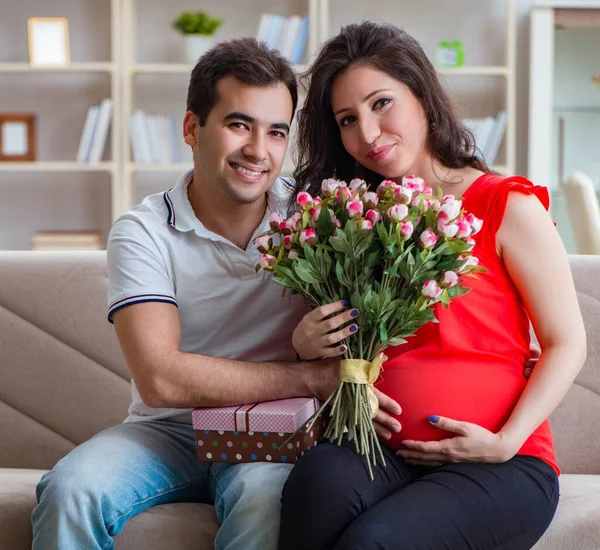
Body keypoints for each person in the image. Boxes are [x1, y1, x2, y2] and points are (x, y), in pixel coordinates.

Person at [32, 37, 403, 550]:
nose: (258, 150)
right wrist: (310, 378)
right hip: (167, 431)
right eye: (238, 125)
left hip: (274, 435)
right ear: (192, 128)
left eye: (276, 132)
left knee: (266, 502)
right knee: (70, 490)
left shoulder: (316, 215)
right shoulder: (142, 231)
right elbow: (161, 379)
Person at [278, 21, 587, 550]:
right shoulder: (349, 220)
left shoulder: (505, 205)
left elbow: (567, 343)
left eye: (381, 104)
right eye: (348, 120)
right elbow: (351, 354)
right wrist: (309, 350)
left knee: (374, 542)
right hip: (378, 452)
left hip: (500, 463)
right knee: (313, 490)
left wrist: (505, 442)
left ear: (421, 95)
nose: (368, 135)